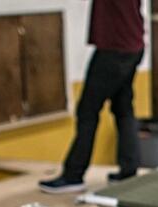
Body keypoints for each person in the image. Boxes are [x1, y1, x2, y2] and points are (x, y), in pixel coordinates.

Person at [40, 0, 144, 193]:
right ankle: (129, 170)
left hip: (114, 48)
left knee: (87, 111)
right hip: (134, 45)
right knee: (123, 109)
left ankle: (74, 175)